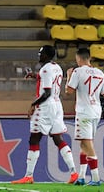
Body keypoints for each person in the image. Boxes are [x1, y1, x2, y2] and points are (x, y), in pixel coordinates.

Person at [11, 45, 79, 184]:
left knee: (34, 140)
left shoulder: (46, 69)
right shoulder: (57, 67)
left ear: (47, 55)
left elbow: (46, 93)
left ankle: (29, 176)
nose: (39, 55)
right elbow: (49, 82)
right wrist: (36, 76)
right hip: (56, 105)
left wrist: (33, 105)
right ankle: (73, 173)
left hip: (45, 107)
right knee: (57, 139)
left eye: (41, 53)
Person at [65, 48, 104, 186]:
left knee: (87, 145)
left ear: (79, 58)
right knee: (84, 144)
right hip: (96, 112)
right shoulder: (100, 73)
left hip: (84, 112)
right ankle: (82, 177)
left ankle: (95, 178)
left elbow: (69, 91)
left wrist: (68, 76)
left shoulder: (77, 71)